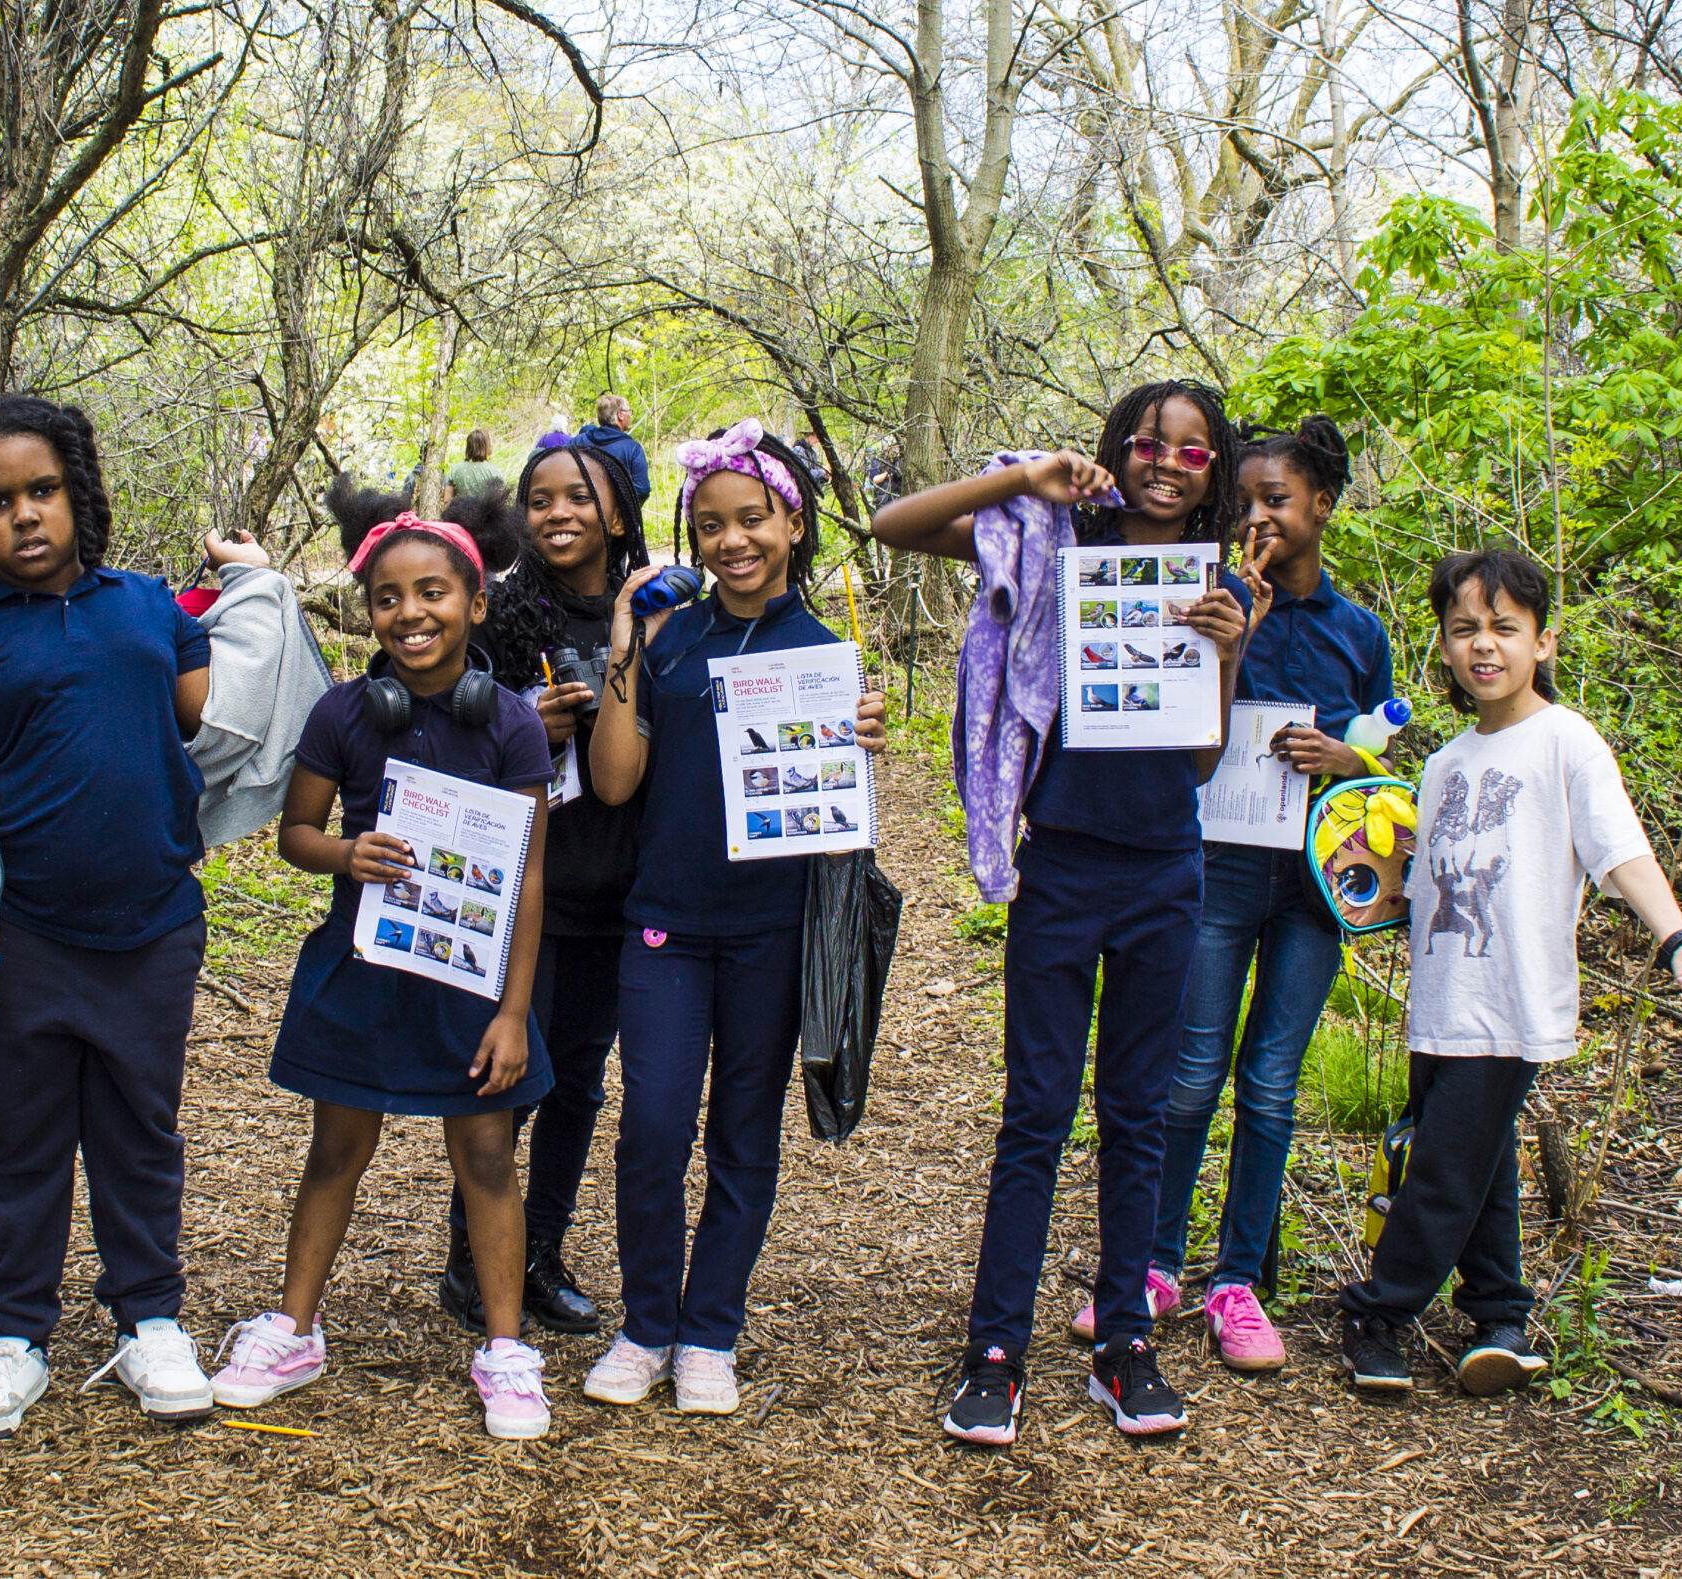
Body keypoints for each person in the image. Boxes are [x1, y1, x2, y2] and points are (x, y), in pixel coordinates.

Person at [873, 380, 1254, 1446]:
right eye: (1145, 441)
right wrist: (1025, 478)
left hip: (1164, 872)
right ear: (1113, 451)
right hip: (1062, 869)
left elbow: (1197, 762)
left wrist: (1223, 654)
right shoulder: (1053, 543)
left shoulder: (1218, 586)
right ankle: (992, 1351)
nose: (1165, 462)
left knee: (1137, 1114)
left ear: (1213, 470)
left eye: (1191, 450)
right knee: (1035, 1112)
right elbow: (890, 525)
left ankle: (1123, 1345)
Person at [0, 395, 238, 1440]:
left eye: (43, 491)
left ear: (78, 495)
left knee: (139, 1127)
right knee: (17, 1136)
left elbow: (219, 719)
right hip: (22, 937)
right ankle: (13, 1334)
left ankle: (149, 1318)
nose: (26, 516)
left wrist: (258, 589)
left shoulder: (147, 609)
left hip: (152, 924)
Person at [207, 480, 558, 1441]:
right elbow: (296, 832)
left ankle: (504, 1347)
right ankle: (294, 1326)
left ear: (476, 604)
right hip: (365, 968)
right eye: (390, 597)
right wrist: (343, 853)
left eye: (434, 592)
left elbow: (526, 877)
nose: (412, 613)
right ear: (370, 610)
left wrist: (514, 1010)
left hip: (470, 979)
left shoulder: (512, 725)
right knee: (336, 1147)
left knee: (485, 1152)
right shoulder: (343, 714)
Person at [1339, 548, 1682, 1394]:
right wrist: (1380, 876)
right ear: (1443, 646)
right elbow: (1424, 888)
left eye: (1504, 628)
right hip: (1442, 997)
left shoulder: (1566, 742)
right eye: (1464, 628)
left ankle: (1380, 1309)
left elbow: (1619, 850)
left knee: (1443, 1165)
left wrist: (1676, 937)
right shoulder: (1442, 766)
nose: (1484, 645)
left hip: (1510, 1001)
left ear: (1543, 641)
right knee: (1480, 1157)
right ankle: (1500, 1314)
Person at [581, 419, 888, 1417]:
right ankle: (645, 1325)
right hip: (666, 924)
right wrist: (627, 645)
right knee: (653, 1127)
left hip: (774, 930)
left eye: (751, 518)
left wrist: (855, 741)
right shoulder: (671, 642)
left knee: (743, 1136)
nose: (731, 541)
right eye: (709, 525)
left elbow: (831, 808)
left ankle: (710, 1329)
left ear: (791, 522)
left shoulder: (825, 655)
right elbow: (614, 783)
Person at [1147, 415, 1395, 1373]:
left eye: (1277, 501)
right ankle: (1154, 1263)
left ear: (1322, 506)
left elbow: (1375, 746)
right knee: (1192, 1072)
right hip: (1218, 871)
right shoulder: (1209, 603)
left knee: (1272, 1084)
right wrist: (1232, 636)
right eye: (1243, 502)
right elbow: (1179, 728)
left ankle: (1238, 1279)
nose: (1257, 518)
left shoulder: (1357, 631)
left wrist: (1345, 755)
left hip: (1314, 887)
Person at [436, 432, 653, 1334]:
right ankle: (471, 1256)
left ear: (616, 510)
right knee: (510, 1076)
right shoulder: (498, 612)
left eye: (576, 496)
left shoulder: (655, 607)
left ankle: (541, 1254)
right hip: (527, 888)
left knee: (580, 1085)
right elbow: (446, 726)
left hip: (623, 880)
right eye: (539, 498)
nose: (556, 513)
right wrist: (532, 723)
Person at [576, 392, 652, 504]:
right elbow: (642, 489)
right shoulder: (632, 448)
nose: (630, 415)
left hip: (582, 513)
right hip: (617, 518)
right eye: (629, 411)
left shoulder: (578, 441)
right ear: (620, 415)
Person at [446, 428, 504, 500]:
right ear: (486, 446)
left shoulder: (456, 470)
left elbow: (447, 500)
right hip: (485, 511)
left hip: (460, 510)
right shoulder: (494, 471)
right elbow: (499, 501)